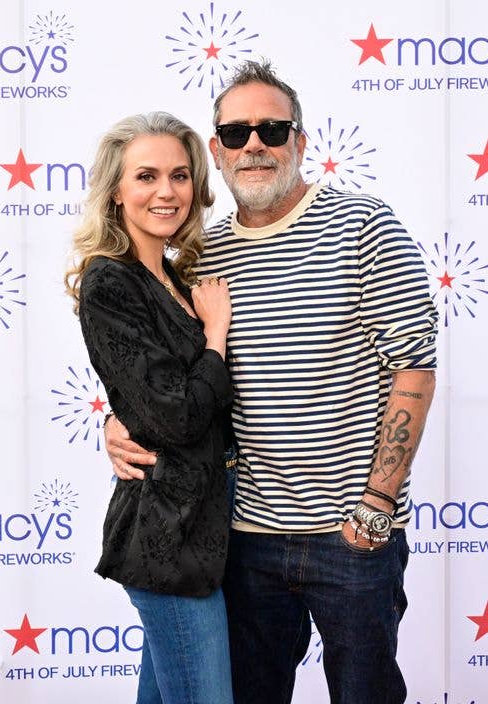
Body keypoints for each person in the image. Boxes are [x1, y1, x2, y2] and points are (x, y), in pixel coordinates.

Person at [104, 62, 438, 704]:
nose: (254, 144)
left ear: (301, 143)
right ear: (216, 153)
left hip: (351, 536)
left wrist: (376, 507)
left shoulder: (366, 226)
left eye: (272, 129)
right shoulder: (200, 253)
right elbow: (167, 378)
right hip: (240, 541)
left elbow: (413, 370)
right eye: (235, 133)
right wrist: (120, 422)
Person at [66, 112, 236, 704]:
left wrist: (121, 418)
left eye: (180, 176)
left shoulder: (175, 276)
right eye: (147, 176)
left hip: (209, 530)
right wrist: (216, 336)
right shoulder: (110, 282)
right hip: (167, 536)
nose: (166, 191)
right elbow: (177, 417)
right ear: (117, 191)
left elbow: (160, 404)